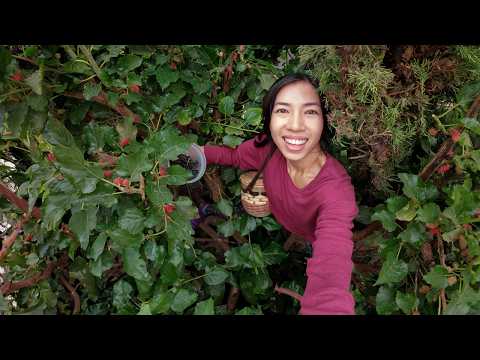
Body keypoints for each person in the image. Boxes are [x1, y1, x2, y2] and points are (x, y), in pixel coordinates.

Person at [201, 73, 358, 315]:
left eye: (310, 112)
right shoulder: (267, 148)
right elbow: (233, 156)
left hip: (312, 236)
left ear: (325, 120)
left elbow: (331, 271)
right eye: (283, 110)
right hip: (283, 221)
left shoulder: (336, 191)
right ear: (269, 118)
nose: (295, 125)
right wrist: (197, 154)